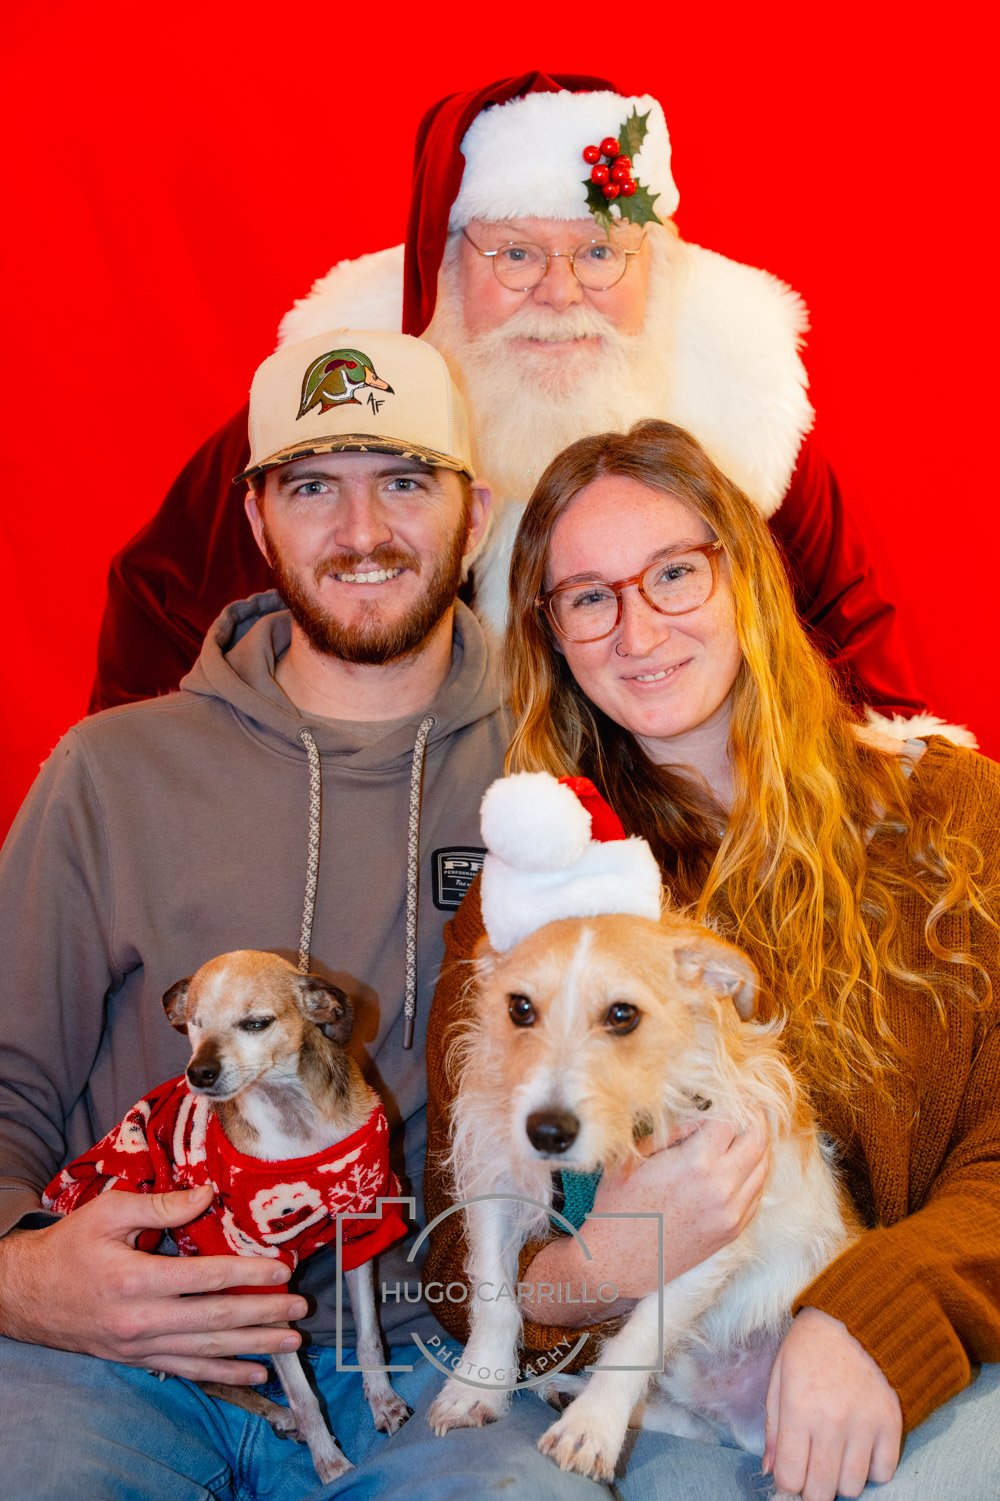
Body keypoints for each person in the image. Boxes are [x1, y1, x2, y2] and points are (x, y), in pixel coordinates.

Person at [418, 420, 1000, 1501]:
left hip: (928, 1358)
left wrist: (873, 1308)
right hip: (641, 1390)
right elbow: (461, 1240)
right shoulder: (535, 898)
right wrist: (593, 1276)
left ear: (749, 578)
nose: (637, 628)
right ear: (549, 634)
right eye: (588, 595)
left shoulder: (955, 815)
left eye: (674, 572)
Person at [0, 329, 510, 1501]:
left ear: (474, 514)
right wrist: (23, 1279)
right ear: (258, 518)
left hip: (430, 1361)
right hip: (121, 1355)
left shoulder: (562, 764)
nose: (363, 530)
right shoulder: (111, 772)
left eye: (405, 481)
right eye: (315, 485)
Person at [90, 72, 945, 739]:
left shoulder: (739, 407)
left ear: (658, 265)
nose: (562, 292)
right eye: (516, 254)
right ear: (448, 263)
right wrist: (165, 803)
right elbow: (162, 601)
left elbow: (857, 643)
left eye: (601, 253)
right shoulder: (341, 398)